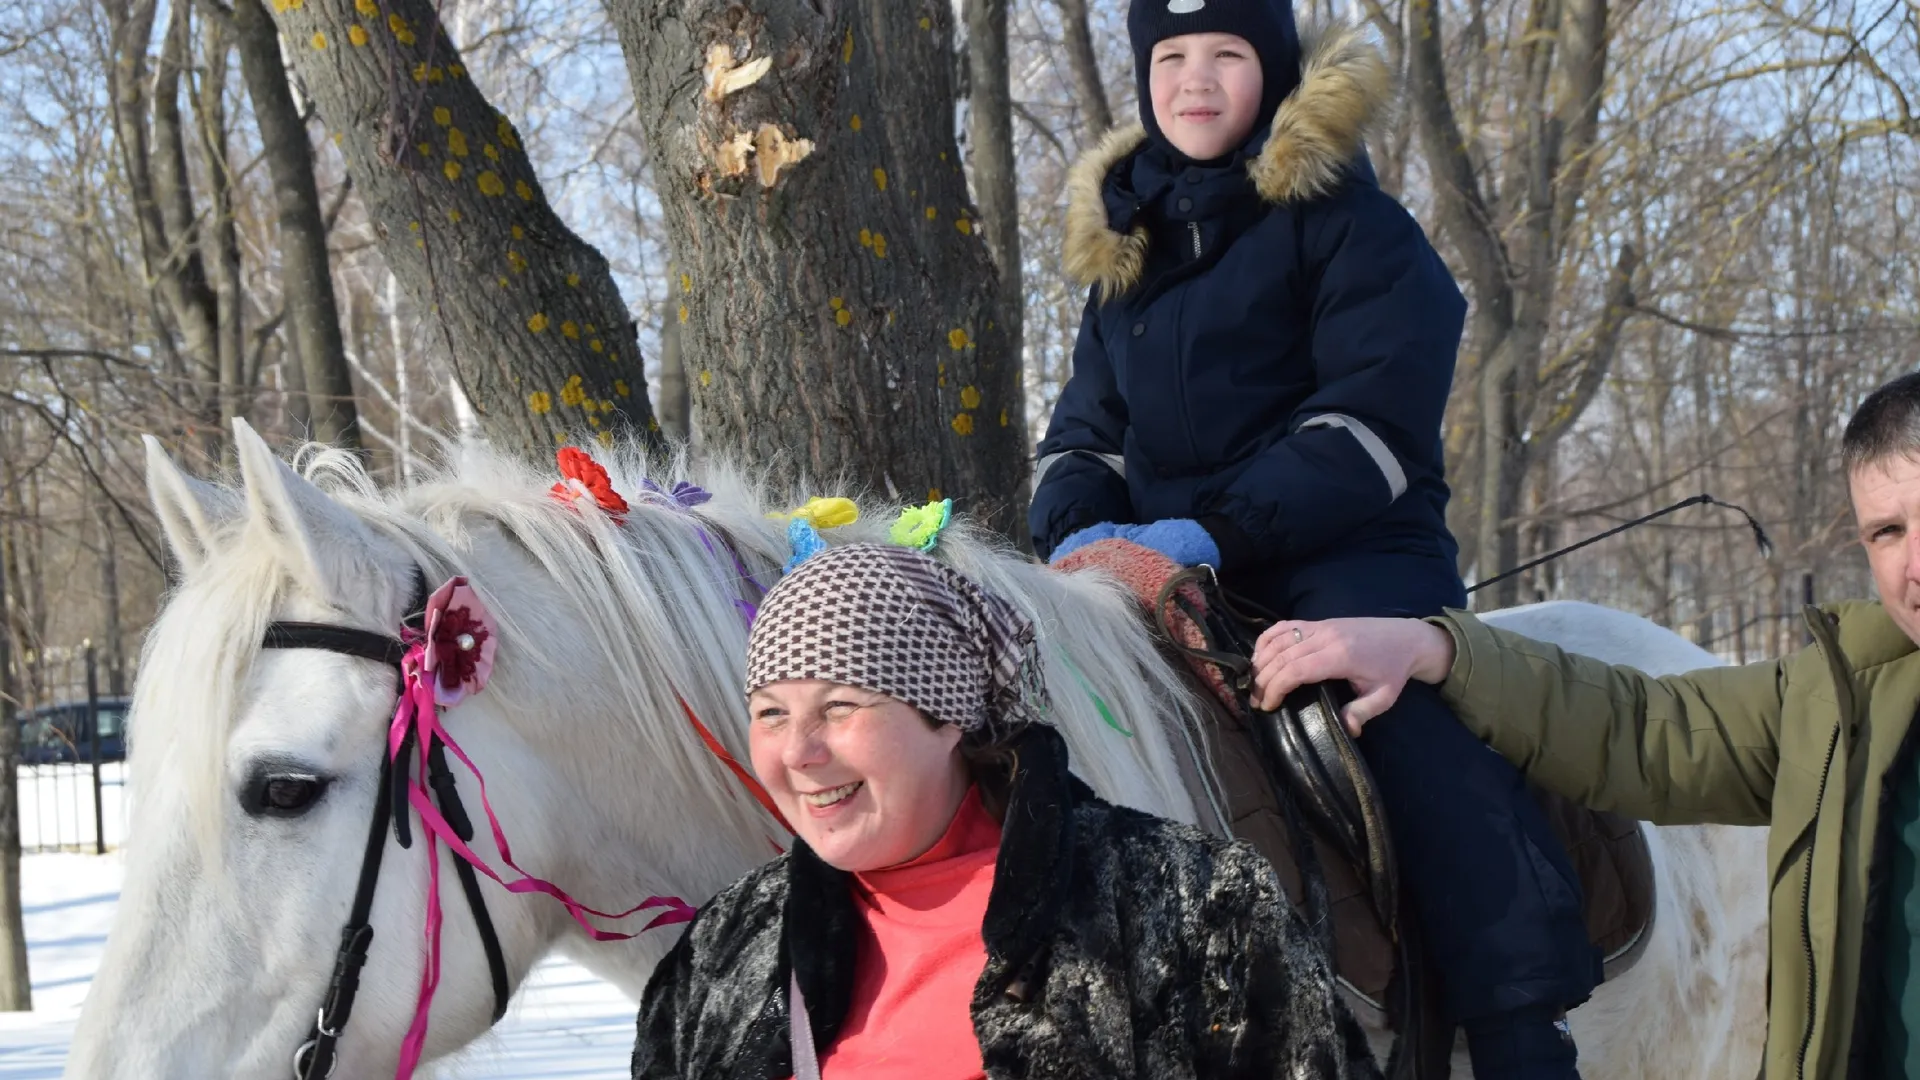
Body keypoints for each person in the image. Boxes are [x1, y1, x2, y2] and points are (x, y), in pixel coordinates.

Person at [1028, 2, 1599, 1075]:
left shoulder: (1354, 225)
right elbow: (1083, 437)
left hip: (1351, 568)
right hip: (1156, 583)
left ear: (1277, 68)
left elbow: (1370, 425)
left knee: (1420, 757)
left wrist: (1210, 530)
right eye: (1172, 57)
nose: (1195, 80)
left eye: (1227, 55)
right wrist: (1081, 538)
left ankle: (1522, 1023)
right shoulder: (1124, 257)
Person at [1247, 370, 1920, 1078]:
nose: (1913, 565)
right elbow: (1642, 727)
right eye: (1887, 531)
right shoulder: (1844, 703)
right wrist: (1435, 649)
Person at [630, 543, 1377, 1079]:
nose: (797, 753)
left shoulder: (1189, 910)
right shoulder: (729, 949)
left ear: (947, 714)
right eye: (769, 714)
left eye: (840, 707)